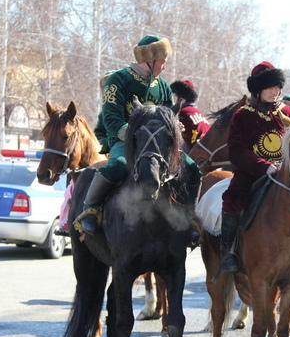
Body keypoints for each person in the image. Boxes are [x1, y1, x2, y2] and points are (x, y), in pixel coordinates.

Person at [75, 35, 202, 239]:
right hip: (124, 140)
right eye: (163, 61)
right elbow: (111, 117)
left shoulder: (162, 86)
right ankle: (90, 210)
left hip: (159, 144)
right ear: (150, 59)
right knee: (116, 166)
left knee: (193, 169)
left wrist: (175, 125)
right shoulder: (118, 80)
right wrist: (134, 138)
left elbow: (169, 114)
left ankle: (188, 219)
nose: (165, 66)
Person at [219, 61, 290, 273]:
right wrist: (264, 167)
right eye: (269, 87)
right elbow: (235, 151)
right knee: (233, 198)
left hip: (288, 171)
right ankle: (229, 251)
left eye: (277, 87)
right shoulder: (243, 115)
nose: (275, 92)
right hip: (253, 171)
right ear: (257, 89)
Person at [170, 79, 211, 150]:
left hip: (193, 155)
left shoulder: (181, 113)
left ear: (182, 99)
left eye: (175, 96)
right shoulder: (198, 112)